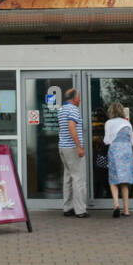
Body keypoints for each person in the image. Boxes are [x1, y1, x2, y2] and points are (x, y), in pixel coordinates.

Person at [59, 88, 88, 218]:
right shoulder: (73, 110)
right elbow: (71, 126)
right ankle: (80, 210)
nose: (80, 100)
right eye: (79, 97)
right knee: (78, 178)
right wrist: (79, 147)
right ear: (74, 98)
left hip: (63, 148)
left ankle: (67, 207)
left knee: (68, 178)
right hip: (72, 148)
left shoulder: (61, 109)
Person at [103, 102, 133, 217]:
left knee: (113, 180)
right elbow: (132, 141)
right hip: (127, 151)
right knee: (124, 182)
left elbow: (107, 140)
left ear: (111, 111)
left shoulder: (109, 123)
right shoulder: (127, 123)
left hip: (115, 151)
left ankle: (116, 205)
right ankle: (126, 210)